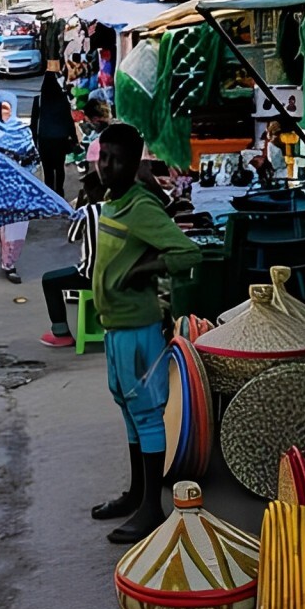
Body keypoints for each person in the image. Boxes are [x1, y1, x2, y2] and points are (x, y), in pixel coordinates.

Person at [91, 123, 201, 544]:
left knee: (147, 413)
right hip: (115, 328)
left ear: (134, 163)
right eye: (103, 157)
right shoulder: (112, 202)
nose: (106, 167)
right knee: (126, 407)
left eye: (116, 160)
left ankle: (153, 508)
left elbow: (187, 252)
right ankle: (137, 494)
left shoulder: (141, 206)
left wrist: (144, 269)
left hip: (138, 330)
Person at [39, 168, 105, 348]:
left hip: (90, 277)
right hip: (122, 276)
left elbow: (72, 237)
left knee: (49, 280)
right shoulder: (125, 210)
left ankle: (61, 333)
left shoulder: (86, 212)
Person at [0, 91, 38, 284]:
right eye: (1, 108)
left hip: (19, 188)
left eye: (7, 108)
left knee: (16, 227)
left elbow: (34, 159)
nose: (4, 113)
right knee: (0, 228)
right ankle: (6, 256)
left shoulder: (23, 132)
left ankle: (10, 264)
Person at [29, 70, 79, 198]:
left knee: (48, 169)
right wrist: (74, 138)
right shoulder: (62, 98)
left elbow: (34, 122)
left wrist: (34, 140)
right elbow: (68, 120)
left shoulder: (39, 100)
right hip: (60, 138)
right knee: (59, 166)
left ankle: (50, 194)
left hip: (44, 139)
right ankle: (60, 191)